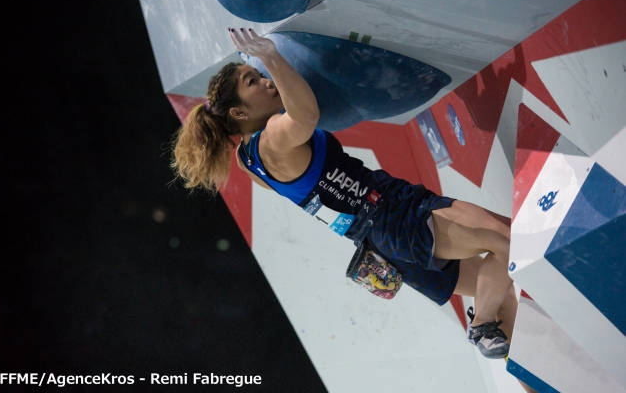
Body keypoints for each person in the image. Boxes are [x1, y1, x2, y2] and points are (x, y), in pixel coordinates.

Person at [172, 28, 523, 369]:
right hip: (394, 217)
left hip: (381, 245)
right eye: (253, 81)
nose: (266, 80)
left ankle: (506, 345)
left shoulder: (247, 160)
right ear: (239, 113)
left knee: (499, 292)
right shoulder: (270, 140)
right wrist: (271, 55)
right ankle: (481, 327)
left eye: (260, 74)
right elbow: (306, 115)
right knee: (510, 242)